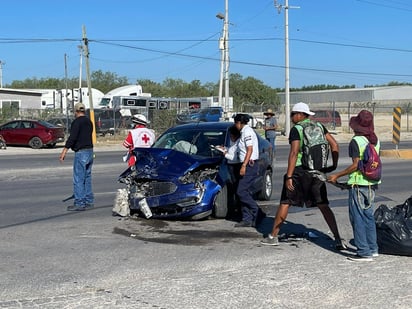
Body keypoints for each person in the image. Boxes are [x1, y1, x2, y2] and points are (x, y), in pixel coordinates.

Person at [260, 102, 346, 249]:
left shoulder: (297, 130)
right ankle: (338, 238)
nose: (292, 117)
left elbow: (294, 153)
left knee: (286, 202)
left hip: (299, 171)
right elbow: (335, 145)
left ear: (300, 115)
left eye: (293, 114)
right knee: (323, 205)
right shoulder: (319, 126)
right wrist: (333, 165)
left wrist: (289, 176)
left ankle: (273, 236)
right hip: (317, 172)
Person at [328, 110, 381, 261]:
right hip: (372, 183)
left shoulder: (356, 141)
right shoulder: (375, 140)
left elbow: (356, 165)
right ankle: (373, 248)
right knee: (368, 217)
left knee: (357, 218)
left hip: (358, 184)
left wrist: (337, 176)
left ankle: (363, 252)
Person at [59, 102, 94, 211]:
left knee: (78, 178)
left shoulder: (76, 122)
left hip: (81, 152)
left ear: (75, 112)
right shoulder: (89, 122)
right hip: (90, 151)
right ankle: (89, 200)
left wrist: (64, 151)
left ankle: (79, 202)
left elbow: (73, 137)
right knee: (87, 178)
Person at [233, 114, 260, 227]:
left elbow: (249, 149)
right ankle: (247, 218)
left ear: (239, 122)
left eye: (236, 123)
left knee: (241, 191)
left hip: (249, 165)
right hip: (245, 164)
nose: (235, 125)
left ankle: (256, 210)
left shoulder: (247, 132)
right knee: (245, 191)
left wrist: (244, 165)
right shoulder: (243, 132)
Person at [217, 125, 242, 220]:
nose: (230, 137)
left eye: (231, 135)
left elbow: (235, 158)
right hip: (231, 167)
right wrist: (225, 148)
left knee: (236, 189)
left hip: (235, 167)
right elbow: (232, 151)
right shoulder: (233, 142)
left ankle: (237, 210)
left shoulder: (239, 143)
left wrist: (225, 154)